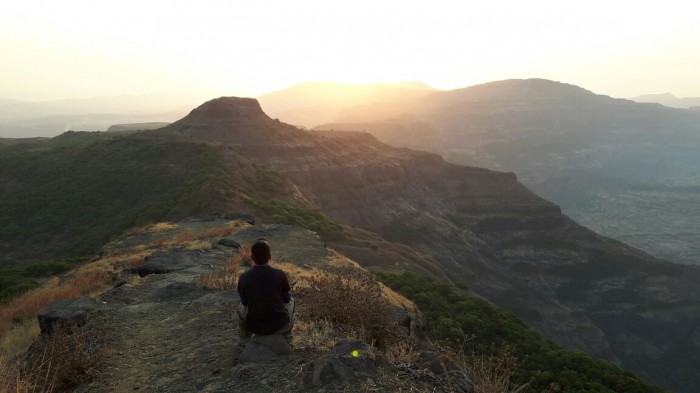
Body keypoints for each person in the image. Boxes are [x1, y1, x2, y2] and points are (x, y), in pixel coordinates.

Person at [236, 238, 295, 344]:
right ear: (270, 257)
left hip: (254, 327)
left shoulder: (244, 277)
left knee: (241, 305)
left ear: (252, 257)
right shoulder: (280, 274)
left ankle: (244, 339)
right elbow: (286, 299)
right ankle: (287, 336)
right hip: (279, 326)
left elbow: (244, 302)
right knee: (291, 300)